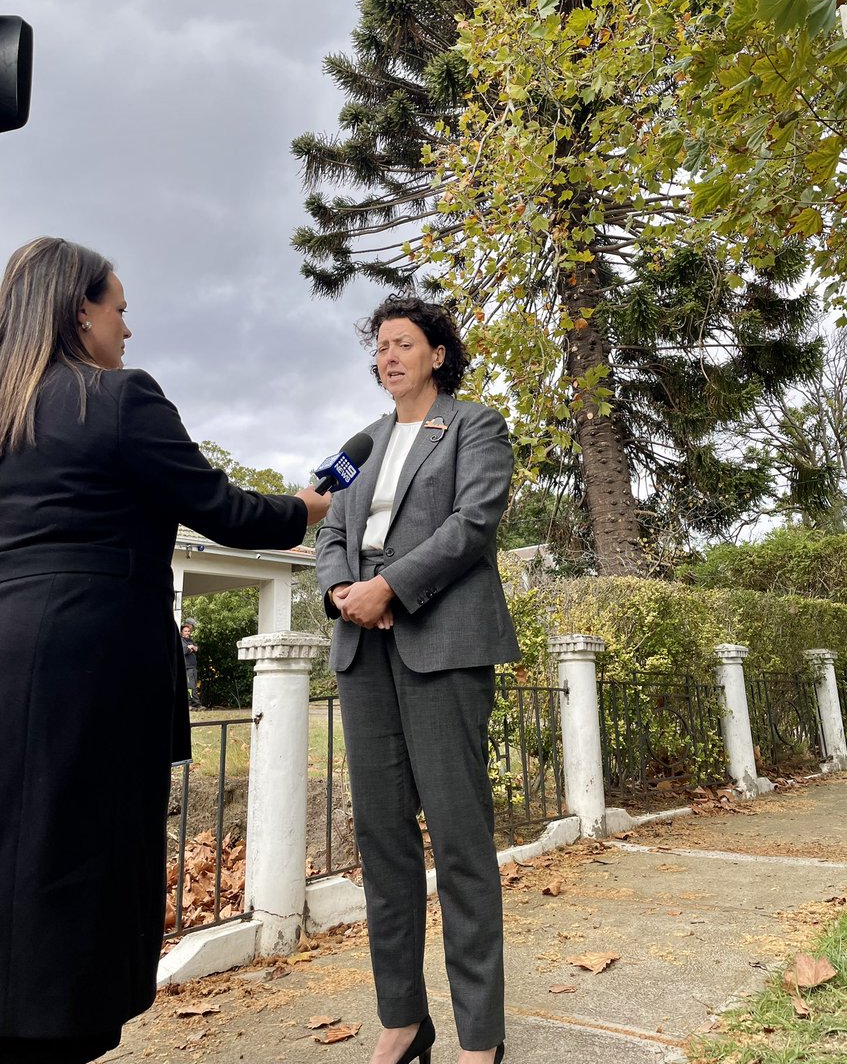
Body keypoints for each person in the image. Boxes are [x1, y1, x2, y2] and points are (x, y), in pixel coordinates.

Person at [0, 237, 331, 1064]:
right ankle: (59, 1029)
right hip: (91, 656)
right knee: (81, 852)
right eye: (120, 308)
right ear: (81, 310)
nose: (128, 330)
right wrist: (305, 507)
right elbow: (223, 511)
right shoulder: (115, 398)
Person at [316, 295, 519, 1064]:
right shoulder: (357, 444)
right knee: (383, 842)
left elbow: (473, 524)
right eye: (380, 347)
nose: (388, 356)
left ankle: (480, 1037)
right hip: (361, 650)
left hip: (442, 642)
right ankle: (403, 1020)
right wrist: (342, 590)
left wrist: (390, 586)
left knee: (462, 843)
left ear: (437, 354)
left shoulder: (476, 425)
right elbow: (331, 526)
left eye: (403, 343)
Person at [181, 622, 201, 708]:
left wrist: (193, 648)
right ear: (182, 632)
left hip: (193, 667)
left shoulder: (190, 640)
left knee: (194, 686)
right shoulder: (180, 640)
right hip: (187, 667)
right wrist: (189, 649)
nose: (187, 633)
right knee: (190, 686)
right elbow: (183, 651)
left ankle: (193, 704)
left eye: (188, 631)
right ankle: (194, 704)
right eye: (185, 631)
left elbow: (196, 648)